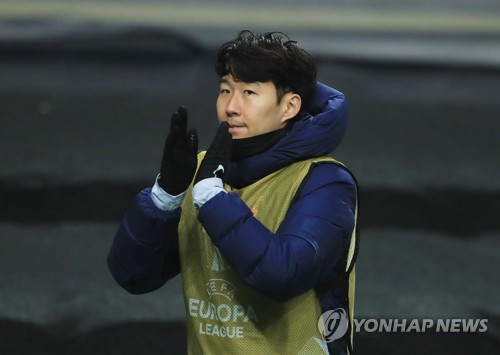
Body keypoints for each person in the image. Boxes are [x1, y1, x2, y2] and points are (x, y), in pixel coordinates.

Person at [107, 30, 359, 355]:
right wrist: (165, 196)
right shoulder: (201, 175)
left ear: (289, 106)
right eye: (225, 90)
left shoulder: (325, 181)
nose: (231, 107)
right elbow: (133, 276)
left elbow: (283, 275)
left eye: (250, 93)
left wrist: (212, 198)